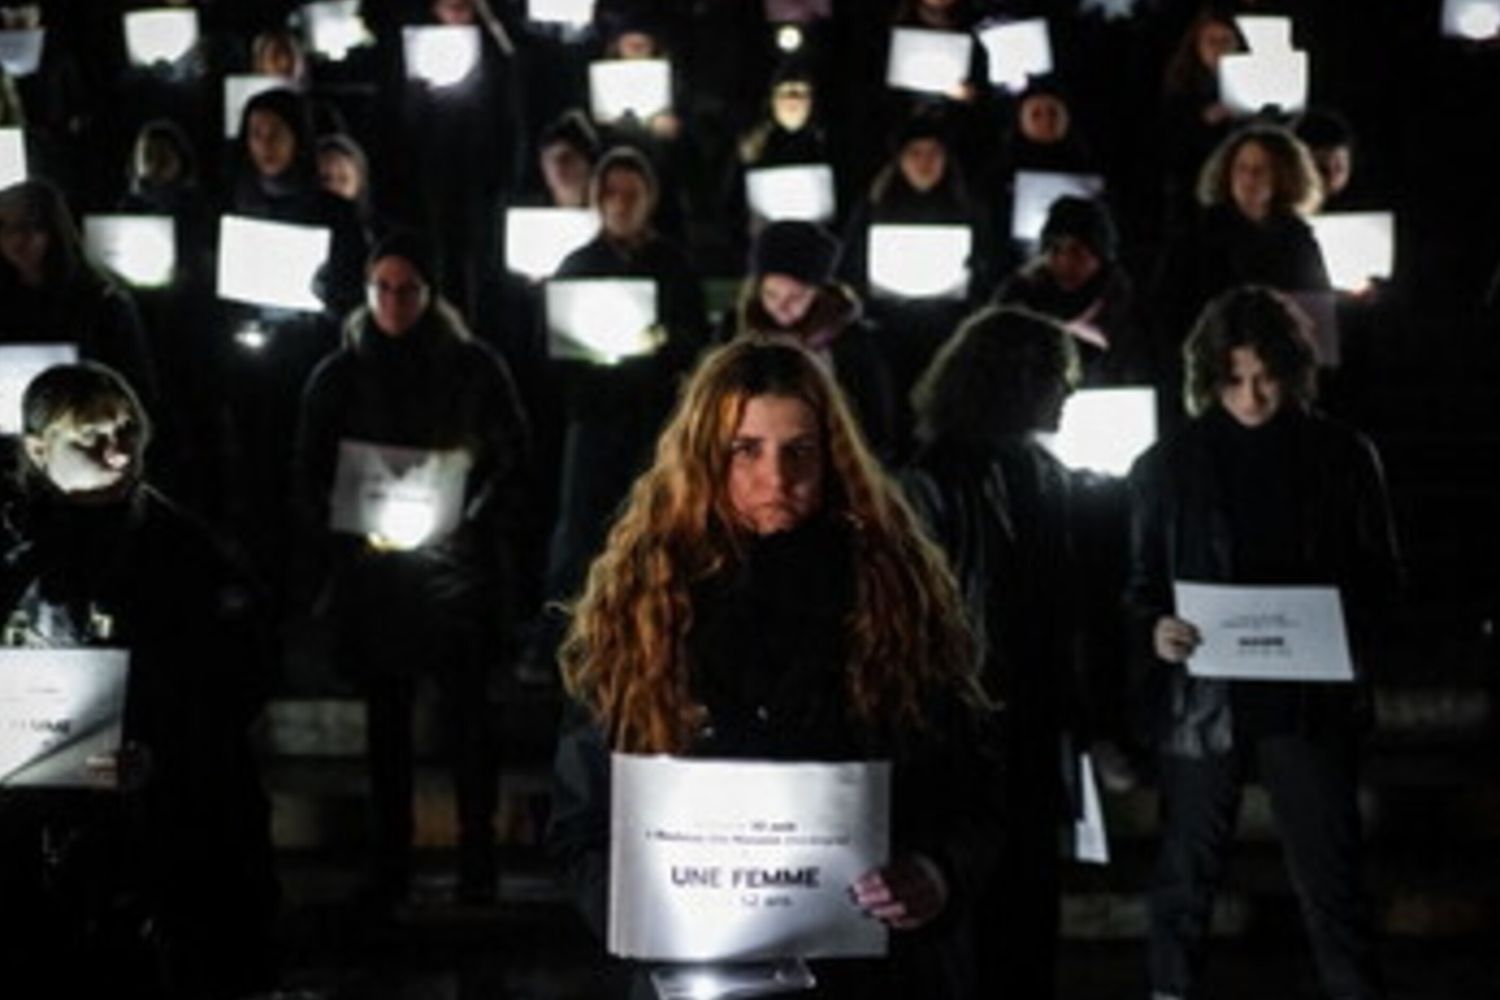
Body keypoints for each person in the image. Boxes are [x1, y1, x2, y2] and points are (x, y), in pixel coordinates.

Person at [548, 337, 999, 998]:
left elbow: (974, 784)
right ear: (706, 456)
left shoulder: (896, 598)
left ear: (833, 455)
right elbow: (580, 820)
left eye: (799, 451)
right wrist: (642, 912)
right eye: (746, 450)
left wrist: (937, 872)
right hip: (695, 975)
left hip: (868, 975)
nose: (777, 478)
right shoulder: (639, 608)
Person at [1124, 286, 1400, 1000]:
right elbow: (1137, 583)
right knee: (1187, 869)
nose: (1250, 396)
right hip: (1204, 695)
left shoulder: (1343, 456)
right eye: (1233, 379)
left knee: (1331, 873)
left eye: (1265, 377)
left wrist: (1340, 631)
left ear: (1293, 369)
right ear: (1209, 377)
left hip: (1307, 696)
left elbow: (1382, 578)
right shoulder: (1167, 464)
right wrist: (1154, 630)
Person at [0, 362, 277, 999]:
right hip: (27, 841)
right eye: (90, 437)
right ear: (39, 450)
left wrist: (163, 752)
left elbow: (242, 673)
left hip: (167, 832)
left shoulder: (187, 551)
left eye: (127, 428)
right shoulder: (12, 554)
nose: (117, 449)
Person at [293, 231, 530, 905]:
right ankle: (390, 855)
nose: (394, 301)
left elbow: (514, 459)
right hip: (376, 580)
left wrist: (470, 515)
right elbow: (306, 473)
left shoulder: (474, 366)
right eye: (383, 288)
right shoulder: (338, 374)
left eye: (408, 288)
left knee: (468, 720)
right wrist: (346, 532)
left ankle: (477, 853)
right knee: (387, 725)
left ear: (431, 294)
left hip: (457, 575)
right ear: (366, 293)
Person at [901, 306, 1084, 1000]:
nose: (1068, 394)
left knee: (1028, 924)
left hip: (1030, 730)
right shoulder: (936, 478)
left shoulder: (1042, 472)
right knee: (975, 932)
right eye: (1059, 379)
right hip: (968, 736)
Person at [1151, 123, 1330, 424]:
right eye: (1241, 169)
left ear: (1281, 177)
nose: (1248, 179)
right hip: (1216, 378)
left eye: (1260, 170)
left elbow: (1316, 317)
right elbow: (1168, 312)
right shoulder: (1196, 238)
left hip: (1278, 382)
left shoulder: (1299, 240)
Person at [726, 219, 896, 459]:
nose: (782, 307)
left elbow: (876, 423)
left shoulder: (852, 342)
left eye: (795, 297)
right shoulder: (735, 333)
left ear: (818, 294)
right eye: (771, 295)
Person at [0, 178, 158, 416]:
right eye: (5, 227)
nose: (16, 240)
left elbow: (136, 392)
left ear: (54, 230)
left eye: (28, 226)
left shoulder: (105, 303)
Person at [994, 194, 1149, 386]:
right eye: (1055, 249)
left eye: (1077, 251)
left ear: (1100, 255)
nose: (1064, 262)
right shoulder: (1017, 301)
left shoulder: (1121, 308)